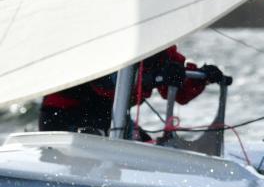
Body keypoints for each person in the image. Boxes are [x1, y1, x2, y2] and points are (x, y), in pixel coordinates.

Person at [39, 46, 222, 138]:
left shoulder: (162, 50)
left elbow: (180, 95)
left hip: (112, 119)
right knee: (97, 143)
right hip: (64, 118)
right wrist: (153, 78)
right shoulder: (111, 44)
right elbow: (106, 87)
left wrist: (204, 76)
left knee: (147, 147)